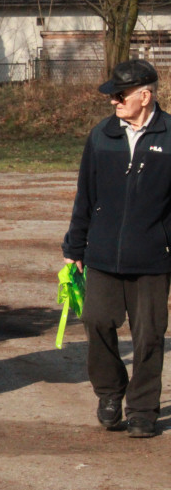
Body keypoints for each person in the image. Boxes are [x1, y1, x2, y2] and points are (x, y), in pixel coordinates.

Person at [63, 58, 171, 439]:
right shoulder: (101, 136)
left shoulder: (170, 135)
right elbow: (85, 195)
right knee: (96, 321)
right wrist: (75, 245)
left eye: (120, 94)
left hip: (153, 259)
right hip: (103, 254)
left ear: (145, 95)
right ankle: (110, 393)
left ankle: (142, 409)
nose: (113, 101)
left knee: (149, 336)